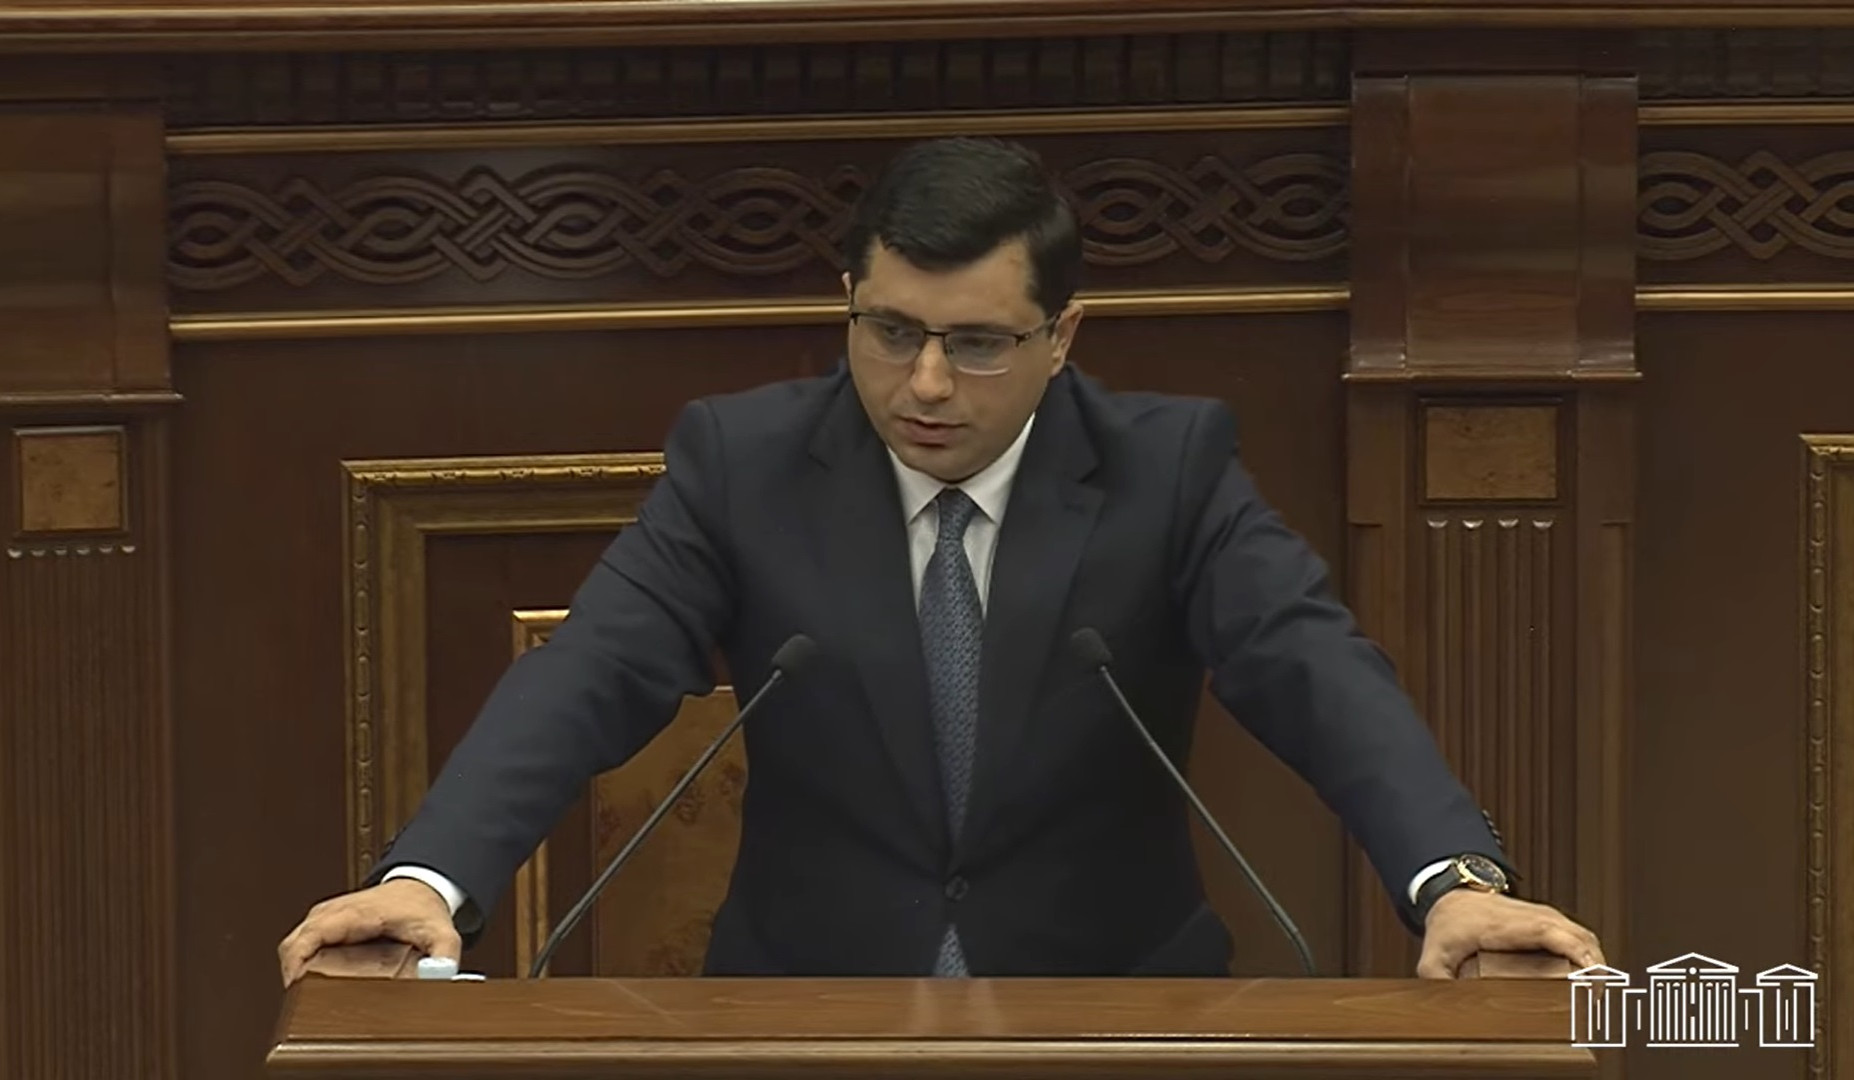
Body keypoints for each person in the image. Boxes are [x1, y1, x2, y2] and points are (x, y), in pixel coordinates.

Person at [278, 136, 1603, 986]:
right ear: (847, 304)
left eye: (974, 344)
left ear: (1060, 335)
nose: (923, 384)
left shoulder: (1169, 468)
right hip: (807, 1013)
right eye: (889, 331)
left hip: (1110, 1012)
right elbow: (591, 672)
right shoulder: (743, 464)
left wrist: (1450, 878)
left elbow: (1311, 666)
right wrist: (428, 879)